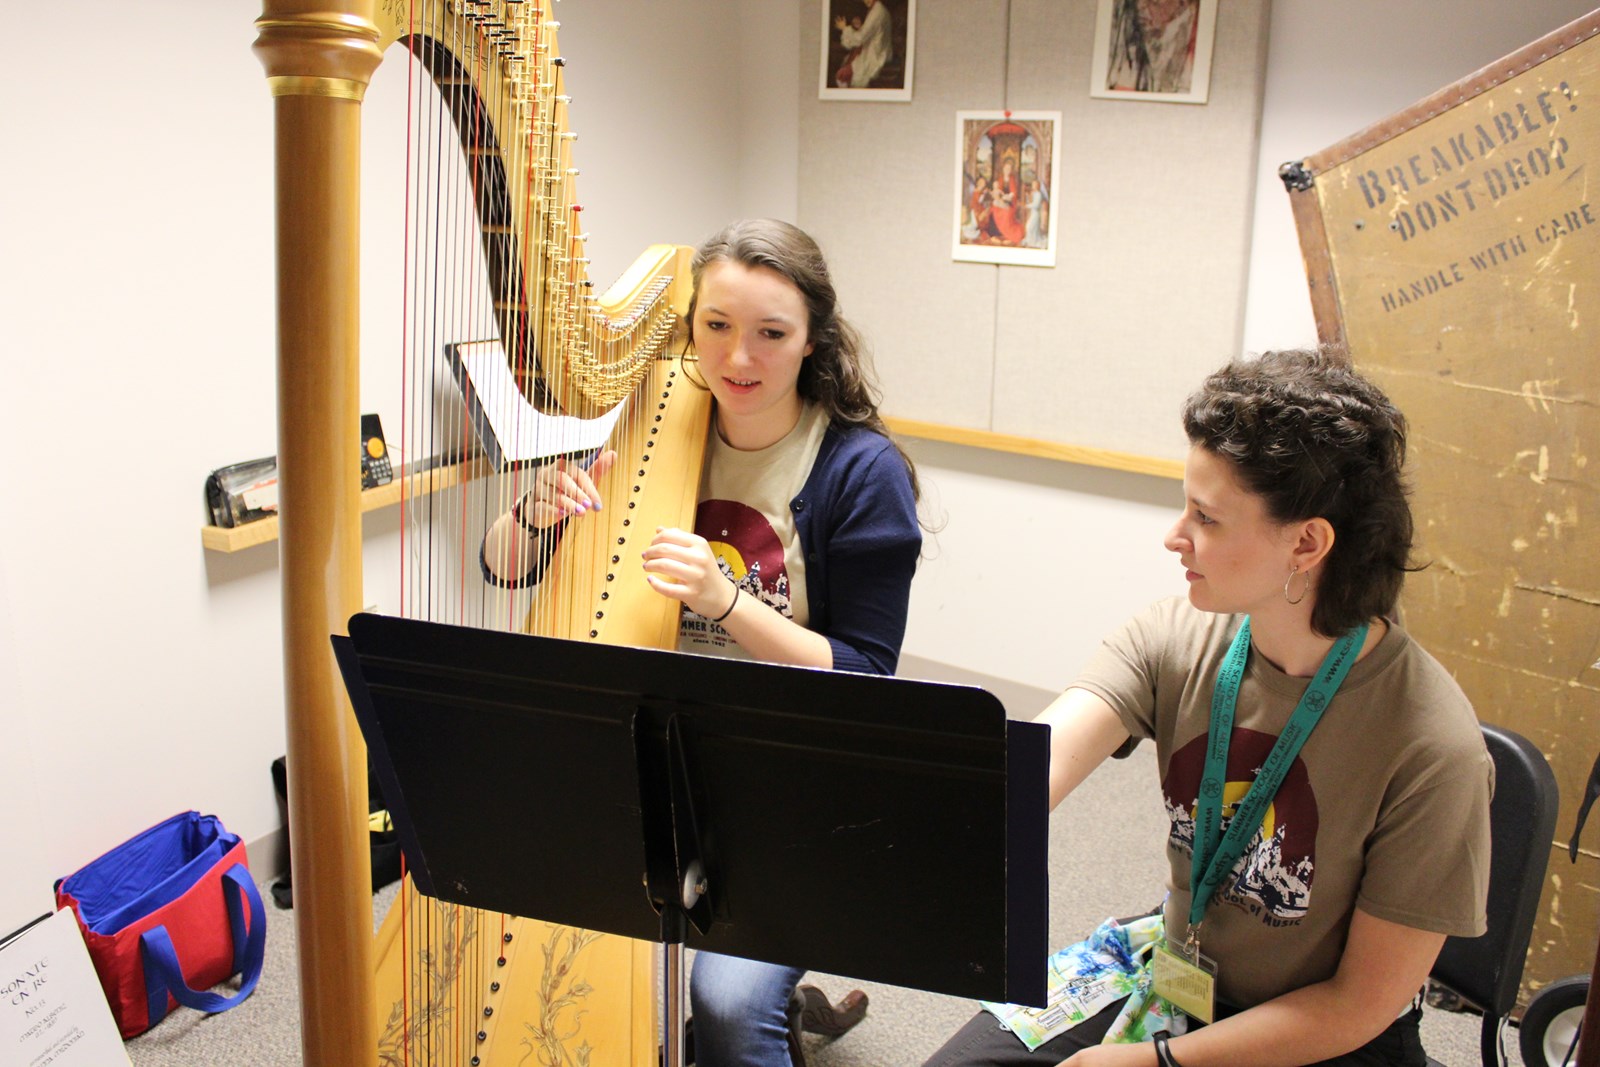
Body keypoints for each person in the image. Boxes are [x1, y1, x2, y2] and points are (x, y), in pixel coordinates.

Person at [923, 348, 1492, 1067]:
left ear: (1307, 542)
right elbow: (1037, 763)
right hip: (1178, 970)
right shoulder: (1177, 637)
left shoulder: (1433, 750)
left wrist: (1156, 1062)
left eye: (1207, 517)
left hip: (1322, 1032)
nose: (1175, 536)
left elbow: (1358, 1005)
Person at [482, 218, 923, 1067]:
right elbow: (502, 566)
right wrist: (531, 517)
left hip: (788, 781)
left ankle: (759, 1009)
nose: (738, 357)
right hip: (651, 764)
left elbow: (867, 676)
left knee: (725, 1003)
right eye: (716, 325)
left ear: (813, 339)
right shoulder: (659, 416)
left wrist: (725, 601)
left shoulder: (860, 472)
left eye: (771, 334)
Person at [834, 0, 893, 89]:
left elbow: (860, 38)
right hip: (872, 51)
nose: (865, 1)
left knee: (842, 75)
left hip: (875, 56)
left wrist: (845, 28)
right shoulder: (877, 9)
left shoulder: (877, 12)